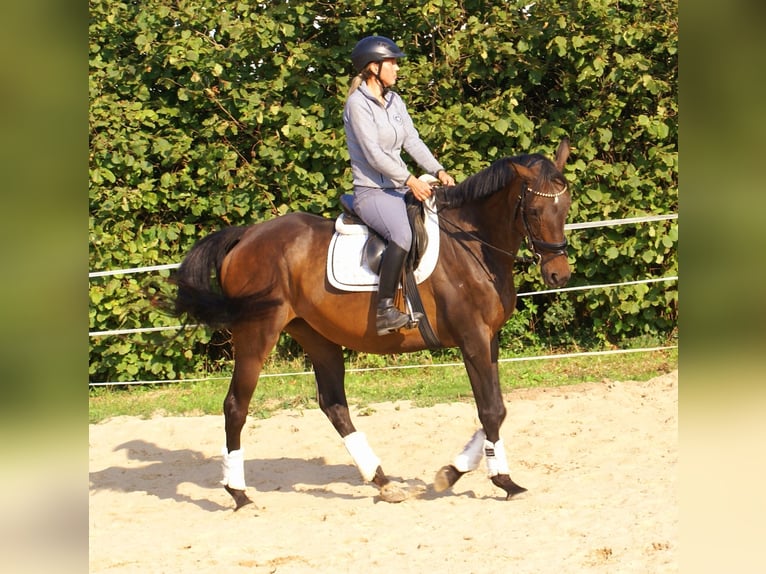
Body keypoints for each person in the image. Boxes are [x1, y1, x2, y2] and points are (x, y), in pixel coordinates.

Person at [343, 35, 455, 336]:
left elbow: (411, 141)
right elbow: (374, 155)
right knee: (403, 234)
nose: (396, 69)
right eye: (391, 63)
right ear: (373, 68)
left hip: (398, 188)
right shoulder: (357, 105)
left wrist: (438, 169)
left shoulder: (394, 101)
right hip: (372, 192)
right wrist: (410, 180)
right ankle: (385, 310)